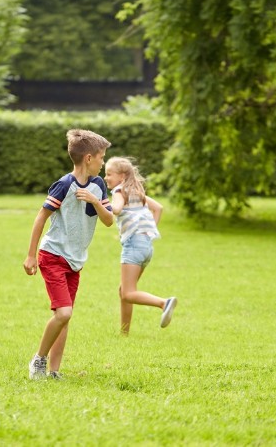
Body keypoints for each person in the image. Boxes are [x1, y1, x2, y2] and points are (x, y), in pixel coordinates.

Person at [23, 129, 114, 379]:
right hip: (53, 255)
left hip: (75, 261)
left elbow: (109, 221)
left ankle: (54, 372)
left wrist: (95, 201)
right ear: (88, 158)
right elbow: (40, 218)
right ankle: (38, 360)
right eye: (101, 157)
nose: (103, 162)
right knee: (64, 313)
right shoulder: (64, 185)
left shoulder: (98, 185)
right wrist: (31, 256)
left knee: (63, 317)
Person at [103, 156, 176, 335]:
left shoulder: (119, 191)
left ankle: (164, 303)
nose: (105, 178)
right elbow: (158, 208)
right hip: (145, 247)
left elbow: (117, 209)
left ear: (121, 176)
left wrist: (100, 203)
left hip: (133, 246)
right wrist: (148, 233)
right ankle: (124, 332)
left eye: (109, 174)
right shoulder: (136, 191)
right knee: (124, 290)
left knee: (128, 293)